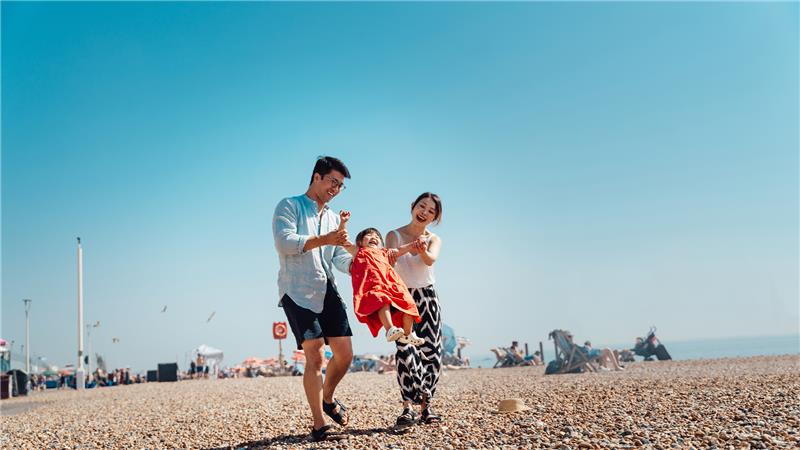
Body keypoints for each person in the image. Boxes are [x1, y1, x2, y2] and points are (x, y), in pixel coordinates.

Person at [272, 156, 355, 442]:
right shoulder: (289, 205)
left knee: (345, 355)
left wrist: (361, 265)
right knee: (316, 354)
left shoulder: (333, 217)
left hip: (327, 287)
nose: (336, 188)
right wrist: (324, 239)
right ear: (316, 177)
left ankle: (327, 399)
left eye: (340, 186)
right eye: (333, 181)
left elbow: (339, 257)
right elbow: (284, 242)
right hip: (296, 289)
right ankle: (320, 426)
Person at [386, 192, 445, 426]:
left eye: (431, 211)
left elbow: (430, 259)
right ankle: (407, 407)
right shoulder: (394, 234)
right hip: (401, 297)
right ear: (412, 206)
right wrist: (409, 246)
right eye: (422, 206)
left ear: (435, 217)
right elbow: (388, 260)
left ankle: (426, 406)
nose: (424, 212)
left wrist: (420, 248)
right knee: (404, 350)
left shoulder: (434, 238)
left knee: (432, 352)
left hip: (428, 297)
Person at [340, 216, 425, 346]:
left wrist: (414, 244)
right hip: (374, 286)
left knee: (409, 304)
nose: (374, 237)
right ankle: (390, 329)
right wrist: (343, 223)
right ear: (360, 242)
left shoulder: (384, 253)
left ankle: (408, 334)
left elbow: (400, 250)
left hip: (393, 284)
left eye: (377, 236)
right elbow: (343, 240)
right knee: (381, 300)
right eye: (369, 235)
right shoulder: (359, 251)